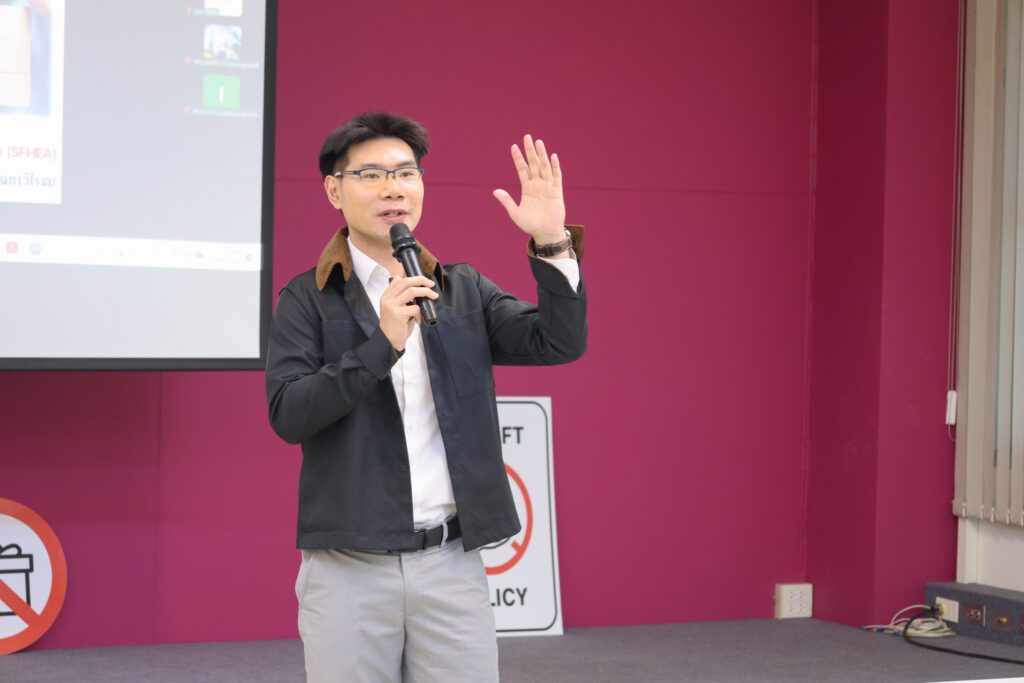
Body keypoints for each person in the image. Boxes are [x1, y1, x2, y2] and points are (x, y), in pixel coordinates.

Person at [265, 111, 587, 683]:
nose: (393, 189)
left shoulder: (461, 289)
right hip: (348, 569)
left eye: (406, 173)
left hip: (451, 566)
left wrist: (550, 241)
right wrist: (381, 344)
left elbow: (557, 341)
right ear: (335, 191)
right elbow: (289, 414)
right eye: (370, 175)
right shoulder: (306, 299)